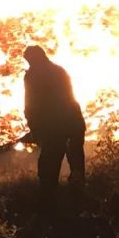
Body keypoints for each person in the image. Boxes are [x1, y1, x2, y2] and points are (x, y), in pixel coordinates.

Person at [22, 45, 86, 197]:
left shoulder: (33, 75)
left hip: (54, 128)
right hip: (74, 123)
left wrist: (34, 127)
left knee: (48, 171)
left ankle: (50, 206)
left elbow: (32, 104)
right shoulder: (59, 70)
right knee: (76, 165)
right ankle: (79, 199)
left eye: (29, 60)